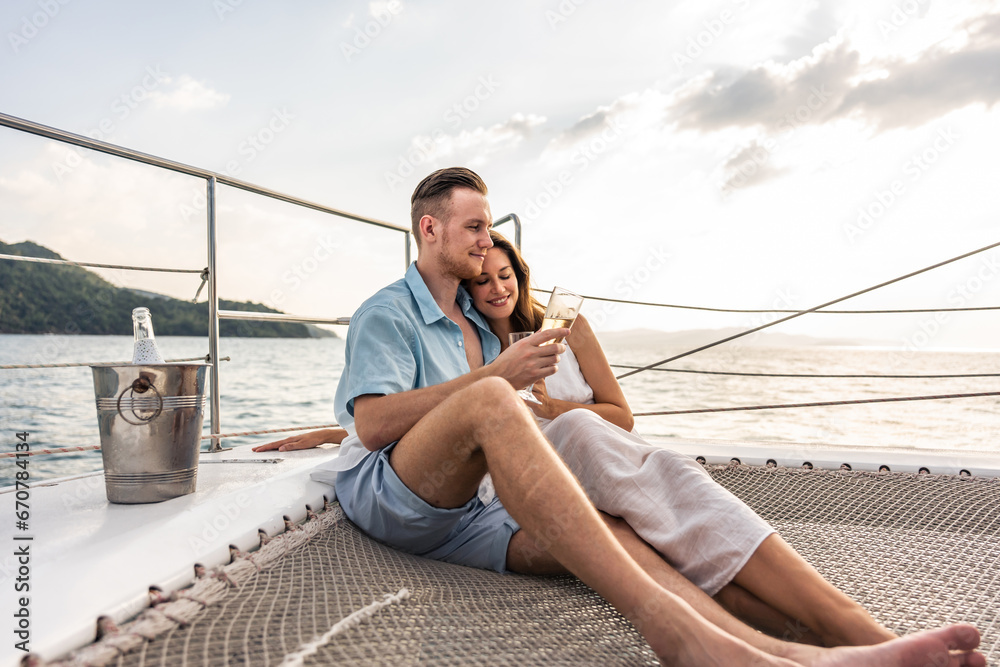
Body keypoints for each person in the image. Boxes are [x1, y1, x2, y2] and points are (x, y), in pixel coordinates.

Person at [257, 167, 983, 666]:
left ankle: (813, 647)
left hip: (474, 514)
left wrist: (495, 375)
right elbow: (380, 424)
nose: (486, 241)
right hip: (403, 503)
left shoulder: (478, 325)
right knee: (494, 399)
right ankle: (674, 633)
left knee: (641, 522)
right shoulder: (391, 311)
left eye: (488, 228)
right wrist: (494, 378)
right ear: (430, 230)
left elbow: (426, 410)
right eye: (475, 227)